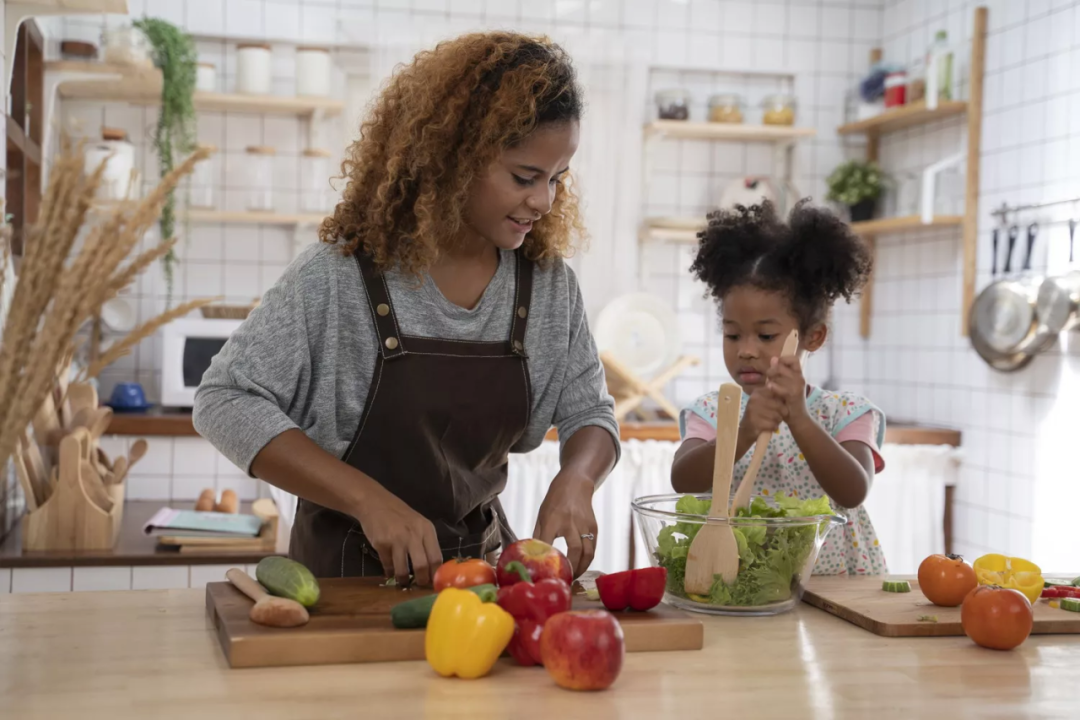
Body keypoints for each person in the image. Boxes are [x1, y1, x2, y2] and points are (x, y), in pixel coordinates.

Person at [194, 33, 619, 587]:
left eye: (557, 179)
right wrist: (366, 500)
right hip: (343, 581)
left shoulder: (547, 287)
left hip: (480, 578)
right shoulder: (337, 276)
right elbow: (225, 400)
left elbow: (592, 412)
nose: (543, 201)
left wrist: (578, 478)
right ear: (452, 161)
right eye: (524, 177)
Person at [670, 200, 887, 575]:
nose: (747, 351)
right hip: (739, 579)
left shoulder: (845, 412)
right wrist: (746, 430)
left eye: (766, 335)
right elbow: (682, 479)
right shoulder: (712, 410)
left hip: (834, 586)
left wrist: (799, 419)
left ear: (813, 337)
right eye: (732, 334)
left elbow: (853, 491)